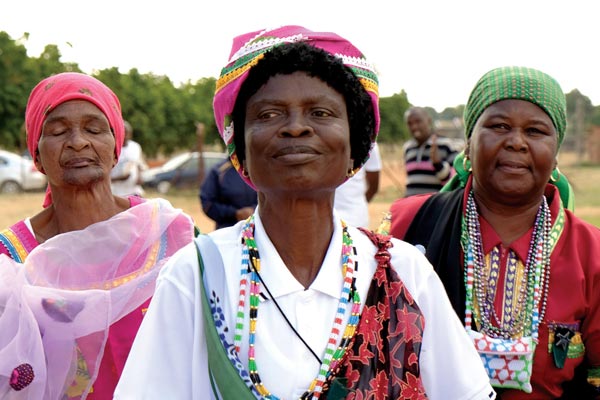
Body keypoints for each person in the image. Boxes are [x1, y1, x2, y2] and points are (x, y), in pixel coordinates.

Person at [115, 25, 496, 400]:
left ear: (355, 145)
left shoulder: (404, 271)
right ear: (240, 148)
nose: (296, 127)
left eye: (320, 112)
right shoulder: (196, 275)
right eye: (268, 114)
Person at [385, 66, 600, 398]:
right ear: (468, 145)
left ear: (556, 154)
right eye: (499, 126)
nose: (516, 142)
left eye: (535, 131)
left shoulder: (590, 251)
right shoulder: (406, 226)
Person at [0, 72, 194, 399]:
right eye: (58, 131)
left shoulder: (170, 232)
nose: (78, 142)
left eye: (93, 129)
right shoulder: (11, 258)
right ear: (36, 157)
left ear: (116, 149)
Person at [402, 106, 459, 197]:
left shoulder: (446, 145)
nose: (414, 127)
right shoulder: (408, 148)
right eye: (410, 123)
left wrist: (438, 164)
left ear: (428, 121)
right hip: (412, 204)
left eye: (418, 121)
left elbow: (455, 182)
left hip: (436, 204)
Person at [200, 157, 258, 229]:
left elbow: (269, 196)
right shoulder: (218, 171)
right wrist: (234, 213)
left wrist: (254, 209)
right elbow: (207, 203)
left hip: (257, 229)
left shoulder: (258, 168)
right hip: (227, 229)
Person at [334, 141, 381, 228]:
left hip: (355, 219)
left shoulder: (368, 142)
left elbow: (373, 186)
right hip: (325, 220)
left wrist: (359, 205)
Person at [111, 120, 146, 197]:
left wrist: (140, 177)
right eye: (123, 133)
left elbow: (139, 164)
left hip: (134, 191)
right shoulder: (112, 148)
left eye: (127, 133)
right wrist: (119, 178)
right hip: (116, 192)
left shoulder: (135, 147)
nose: (125, 135)